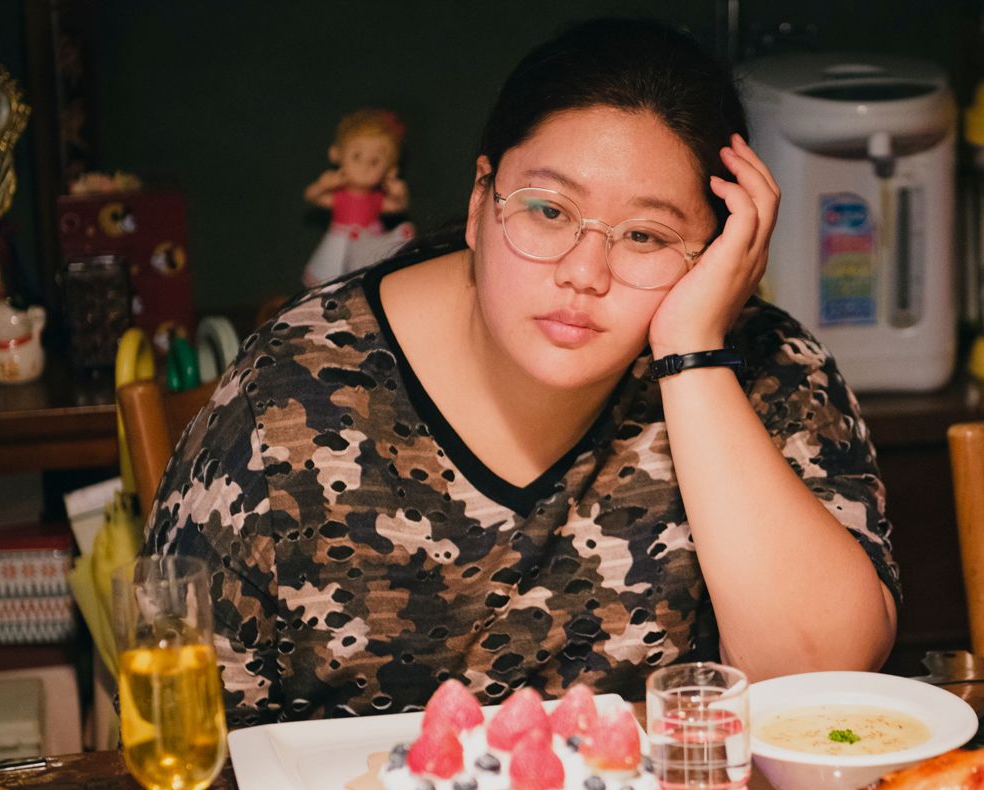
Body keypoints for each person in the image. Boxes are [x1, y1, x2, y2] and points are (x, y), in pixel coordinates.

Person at [147, 18, 900, 727]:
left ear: (719, 253)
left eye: (646, 236)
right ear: (481, 200)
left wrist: (693, 354)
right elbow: (179, 732)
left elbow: (821, 696)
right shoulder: (291, 389)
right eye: (547, 211)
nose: (584, 272)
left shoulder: (767, 372)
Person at [302, 108, 414, 285]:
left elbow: (399, 207)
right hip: (340, 244)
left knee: (369, 278)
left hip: (369, 242)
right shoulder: (340, 196)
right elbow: (311, 197)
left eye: (375, 161)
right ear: (336, 154)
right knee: (332, 281)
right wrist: (322, 186)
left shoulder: (377, 199)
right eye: (356, 156)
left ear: (391, 169)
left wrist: (400, 194)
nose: (364, 167)